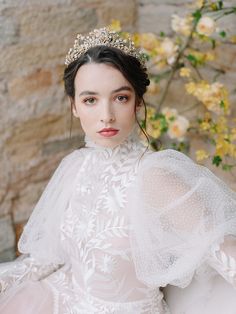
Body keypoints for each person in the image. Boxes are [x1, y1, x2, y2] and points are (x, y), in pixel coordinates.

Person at [0, 26, 235, 314]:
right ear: (74, 106)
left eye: (120, 97)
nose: (106, 115)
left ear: (137, 102)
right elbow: (47, 258)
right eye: (90, 100)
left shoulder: (154, 177)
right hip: (65, 299)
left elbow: (223, 252)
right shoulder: (76, 166)